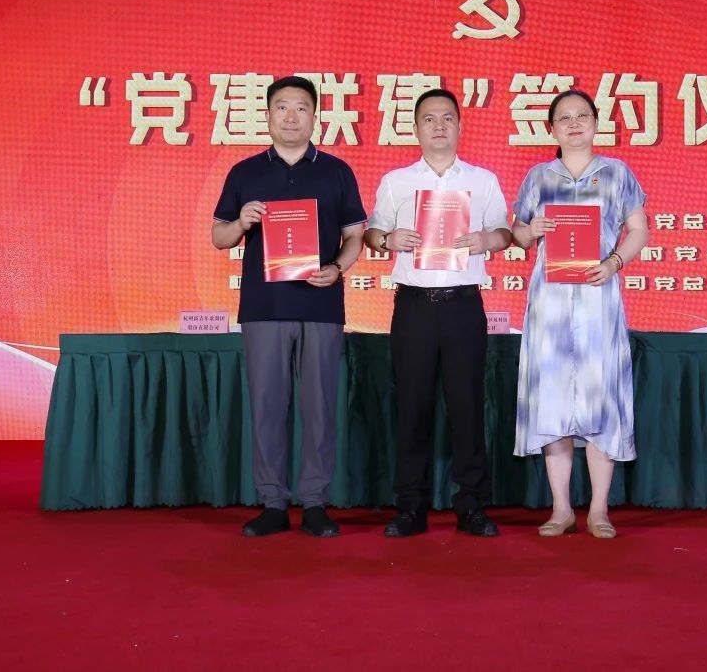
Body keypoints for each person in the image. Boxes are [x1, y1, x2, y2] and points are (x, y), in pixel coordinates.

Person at [211, 75, 366, 538]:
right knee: (267, 406)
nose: (292, 116)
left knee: (319, 408)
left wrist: (337, 268)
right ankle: (273, 502)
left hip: (321, 304)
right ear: (268, 115)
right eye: (282, 107)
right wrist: (241, 221)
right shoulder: (245, 172)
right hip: (264, 307)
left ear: (315, 115)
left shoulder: (336, 171)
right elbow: (219, 237)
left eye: (301, 107)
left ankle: (315, 503)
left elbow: (355, 235)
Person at [364, 88, 512, 538]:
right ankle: (410, 507)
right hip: (414, 307)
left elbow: (505, 232)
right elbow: (372, 232)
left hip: (463, 305)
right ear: (415, 129)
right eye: (429, 119)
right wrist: (388, 240)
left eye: (447, 117)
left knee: (467, 407)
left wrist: (487, 241)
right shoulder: (396, 181)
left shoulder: (483, 180)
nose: (439, 126)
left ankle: (472, 506)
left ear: (460, 126)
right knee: (412, 408)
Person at [510, 89, 649, 539]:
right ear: (551, 128)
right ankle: (561, 509)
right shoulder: (538, 176)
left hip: (597, 301)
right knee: (553, 403)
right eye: (564, 118)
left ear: (595, 123)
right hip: (550, 306)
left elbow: (639, 229)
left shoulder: (617, 173)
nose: (574, 123)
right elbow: (519, 234)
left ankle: (599, 510)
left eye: (582, 115)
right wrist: (531, 229)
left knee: (599, 401)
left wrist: (614, 262)